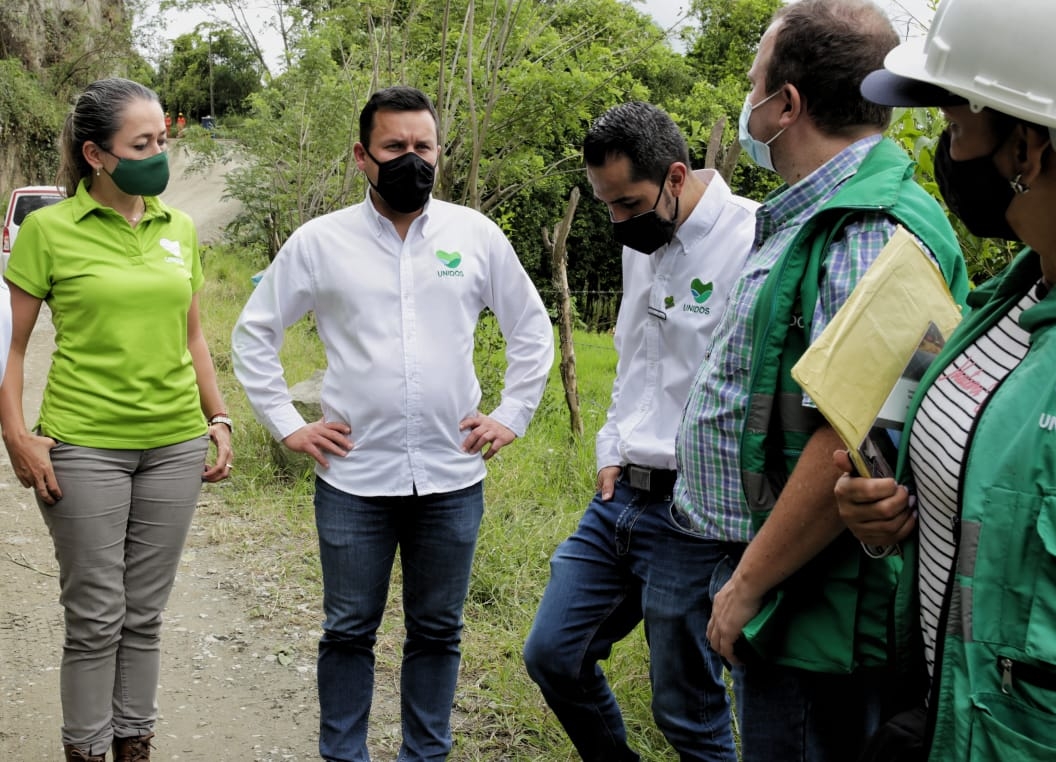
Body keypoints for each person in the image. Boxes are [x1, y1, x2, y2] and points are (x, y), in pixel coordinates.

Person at [670, 1, 970, 758]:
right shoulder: (821, 215)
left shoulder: (865, 230)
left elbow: (850, 430)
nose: (748, 103)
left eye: (754, 85)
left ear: (787, 105)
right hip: (785, 576)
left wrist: (749, 582)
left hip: (811, 602)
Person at [230, 85, 554, 762]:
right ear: (362, 156)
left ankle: (424, 755)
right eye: (395, 146)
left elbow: (531, 327)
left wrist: (512, 414)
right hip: (354, 478)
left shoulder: (474, 235)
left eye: (423, 146)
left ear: (439, 152)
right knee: (349, 629)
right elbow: (254, 334)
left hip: (451, 475)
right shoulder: (320, 243)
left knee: (437, 631)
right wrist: (288, 424)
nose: (413, 159)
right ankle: (343, 755)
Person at [836, 0, 1056, 758]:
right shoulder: (1009, 299)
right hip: (948, 717)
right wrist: (890, 520)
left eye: (957, 130)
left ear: (1028, 148)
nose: (948, 156)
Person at [1, 77, 233, 762]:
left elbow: (194, 336)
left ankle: (135, 744)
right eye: (142, 144)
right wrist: (16, 435)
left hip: (175, 446)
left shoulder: (177, 228)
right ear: (96, 154)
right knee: (96, 616)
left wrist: (218, 417)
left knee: (145, 614)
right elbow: (11, 346)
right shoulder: (48, 230)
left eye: (162, 139)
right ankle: (86, 749)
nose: (158, 154)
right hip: (83, 448)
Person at [522, 101, 758, 761]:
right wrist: (610, 445)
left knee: (687, 710)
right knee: (553, 654)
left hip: (696, 510)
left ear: (676, 176)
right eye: (605, 205)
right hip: (621, 494)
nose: (618, 222)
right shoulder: (643, 242)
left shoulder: (753, 240)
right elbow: (635, 358)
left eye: (627, 203)